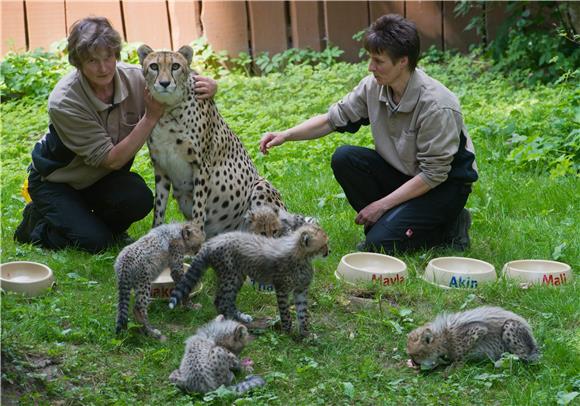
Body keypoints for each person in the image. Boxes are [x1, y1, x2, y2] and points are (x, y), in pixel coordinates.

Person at [259, 14, 478, 254]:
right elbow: (331, 120)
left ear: (403, 61)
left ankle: (451, 224)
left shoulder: (436, 105)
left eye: (378, 60)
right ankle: (393, 223)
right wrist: (285, 135)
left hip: (442, 187)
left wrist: (380, 206)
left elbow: (434, 175)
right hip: (406, 175)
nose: (370, 67)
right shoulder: (373, 87)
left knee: (379, 245)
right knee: (345, 158)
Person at [13, 16, 217, 253]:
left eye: (108, 57)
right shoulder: (64, 101)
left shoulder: (136, 77)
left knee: (138, 198)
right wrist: (150, 117)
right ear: (77, 63)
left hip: (100, 178)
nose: (103, 68)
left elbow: (175, 77)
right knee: (96, 243)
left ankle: (85, 222)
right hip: (58, 181)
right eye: (92, 60)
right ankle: (36, 223)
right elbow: (113, 159)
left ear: (116, 54)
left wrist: (208, 85)